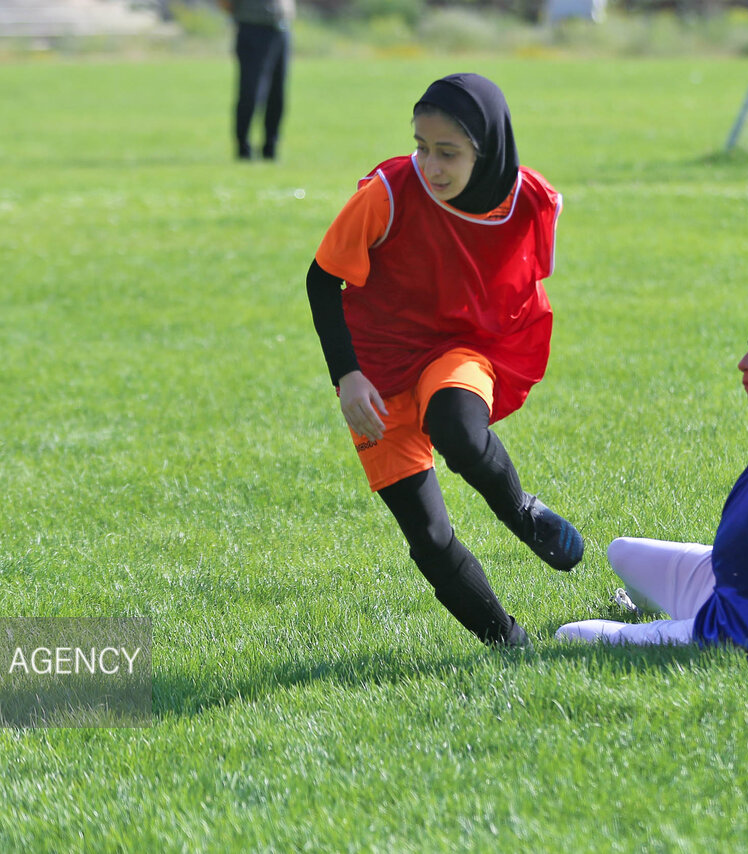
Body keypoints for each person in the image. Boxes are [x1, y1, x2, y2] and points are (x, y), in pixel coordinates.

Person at [305, 73, 585, 649]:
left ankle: (521, 512)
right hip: (376, 374)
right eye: (421, 146)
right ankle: (510, 644)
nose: (430, 165)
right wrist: (348, 377)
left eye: (448, 152)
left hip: (456, 350)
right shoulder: (386, 192)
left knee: (457, 427)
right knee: (428, 537)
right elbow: (320, 281)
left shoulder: (527, 200)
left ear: (487, 149)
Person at [555, 301, 748, 674]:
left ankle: (668, 627)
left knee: (568, 634)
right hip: (730, 584)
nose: (744, 362)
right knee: (621, 552)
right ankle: (646, 610)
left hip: (743, 630)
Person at [220, 0, 293, 160]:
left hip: (281, 27)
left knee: (277, 93)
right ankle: (243, 148)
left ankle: (270, 148)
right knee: (251, 92)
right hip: (253, 28)